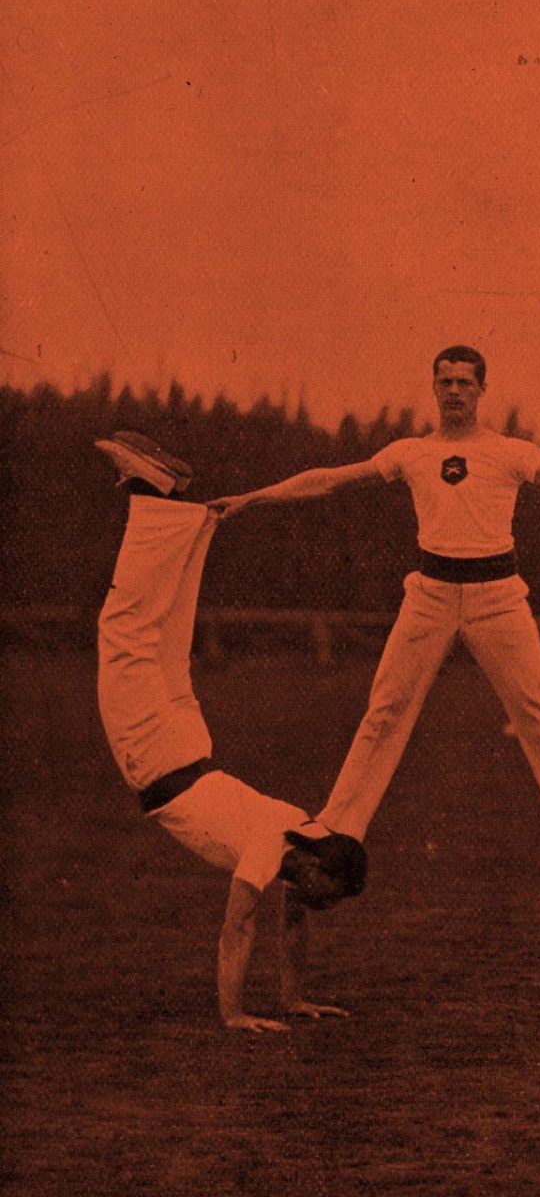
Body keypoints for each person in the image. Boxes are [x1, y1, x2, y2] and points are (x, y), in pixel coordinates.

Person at [208, 346, 540, 868]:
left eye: (464, 383)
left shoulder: (511, 453)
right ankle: (336, 825)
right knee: (384, 709)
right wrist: (249, 499)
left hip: (498, 598)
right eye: (445, 381)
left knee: (539, 715)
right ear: (433, 387)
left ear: (481, 391)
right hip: (429, 595)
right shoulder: (409, 453)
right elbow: (328, 479)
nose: (454, 391)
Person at [92, 432, 370, 1032]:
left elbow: (292, 929)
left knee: (164, 634)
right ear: (320, 866)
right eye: (329, 893)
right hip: (160, 759)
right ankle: (151, 493)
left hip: (191, 745)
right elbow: (235, 927)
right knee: (126, 633)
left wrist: (295, 1001)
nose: (321, 904)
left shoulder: (307, 836)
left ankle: (185, 516)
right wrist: (234, 1013)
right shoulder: (275, 846)